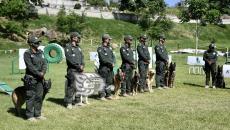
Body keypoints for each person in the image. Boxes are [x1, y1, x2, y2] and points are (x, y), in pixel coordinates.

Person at [24, 35, 47, 121]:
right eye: (36, 42)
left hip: (40, 78)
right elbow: (30, 67)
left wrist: (43, 72)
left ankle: (38, 114)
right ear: (31, 44)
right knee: (30, 97)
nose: (38, 44)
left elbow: (45, 63)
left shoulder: (40, 52)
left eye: (38, 42)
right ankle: (29, 116)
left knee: (39, 96)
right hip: (31, 78)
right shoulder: (27, 53)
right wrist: (39, 73)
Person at [64, 32, 84, 109]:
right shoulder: (68, 47)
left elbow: (82, 57)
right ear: (73, 38)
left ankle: (77, 101)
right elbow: (70, 59)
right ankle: (69, 102)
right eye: (78, 37)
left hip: (80, 70)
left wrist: (82, 65)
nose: (79, 39)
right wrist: (78, 66)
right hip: (72, 70)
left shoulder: (79, 47)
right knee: (71, 86)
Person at [97, 34, 115, 100]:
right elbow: (102, 59)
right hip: (103, 67)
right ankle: (101, 95)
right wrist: (110, 63)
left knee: (109, 81)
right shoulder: (100, 48)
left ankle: (108, 94)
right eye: (109, 39)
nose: (110, 40)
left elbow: (113, 57)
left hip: (110, 68)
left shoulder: (109, 48)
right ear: (105, 39)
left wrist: (113, 62)